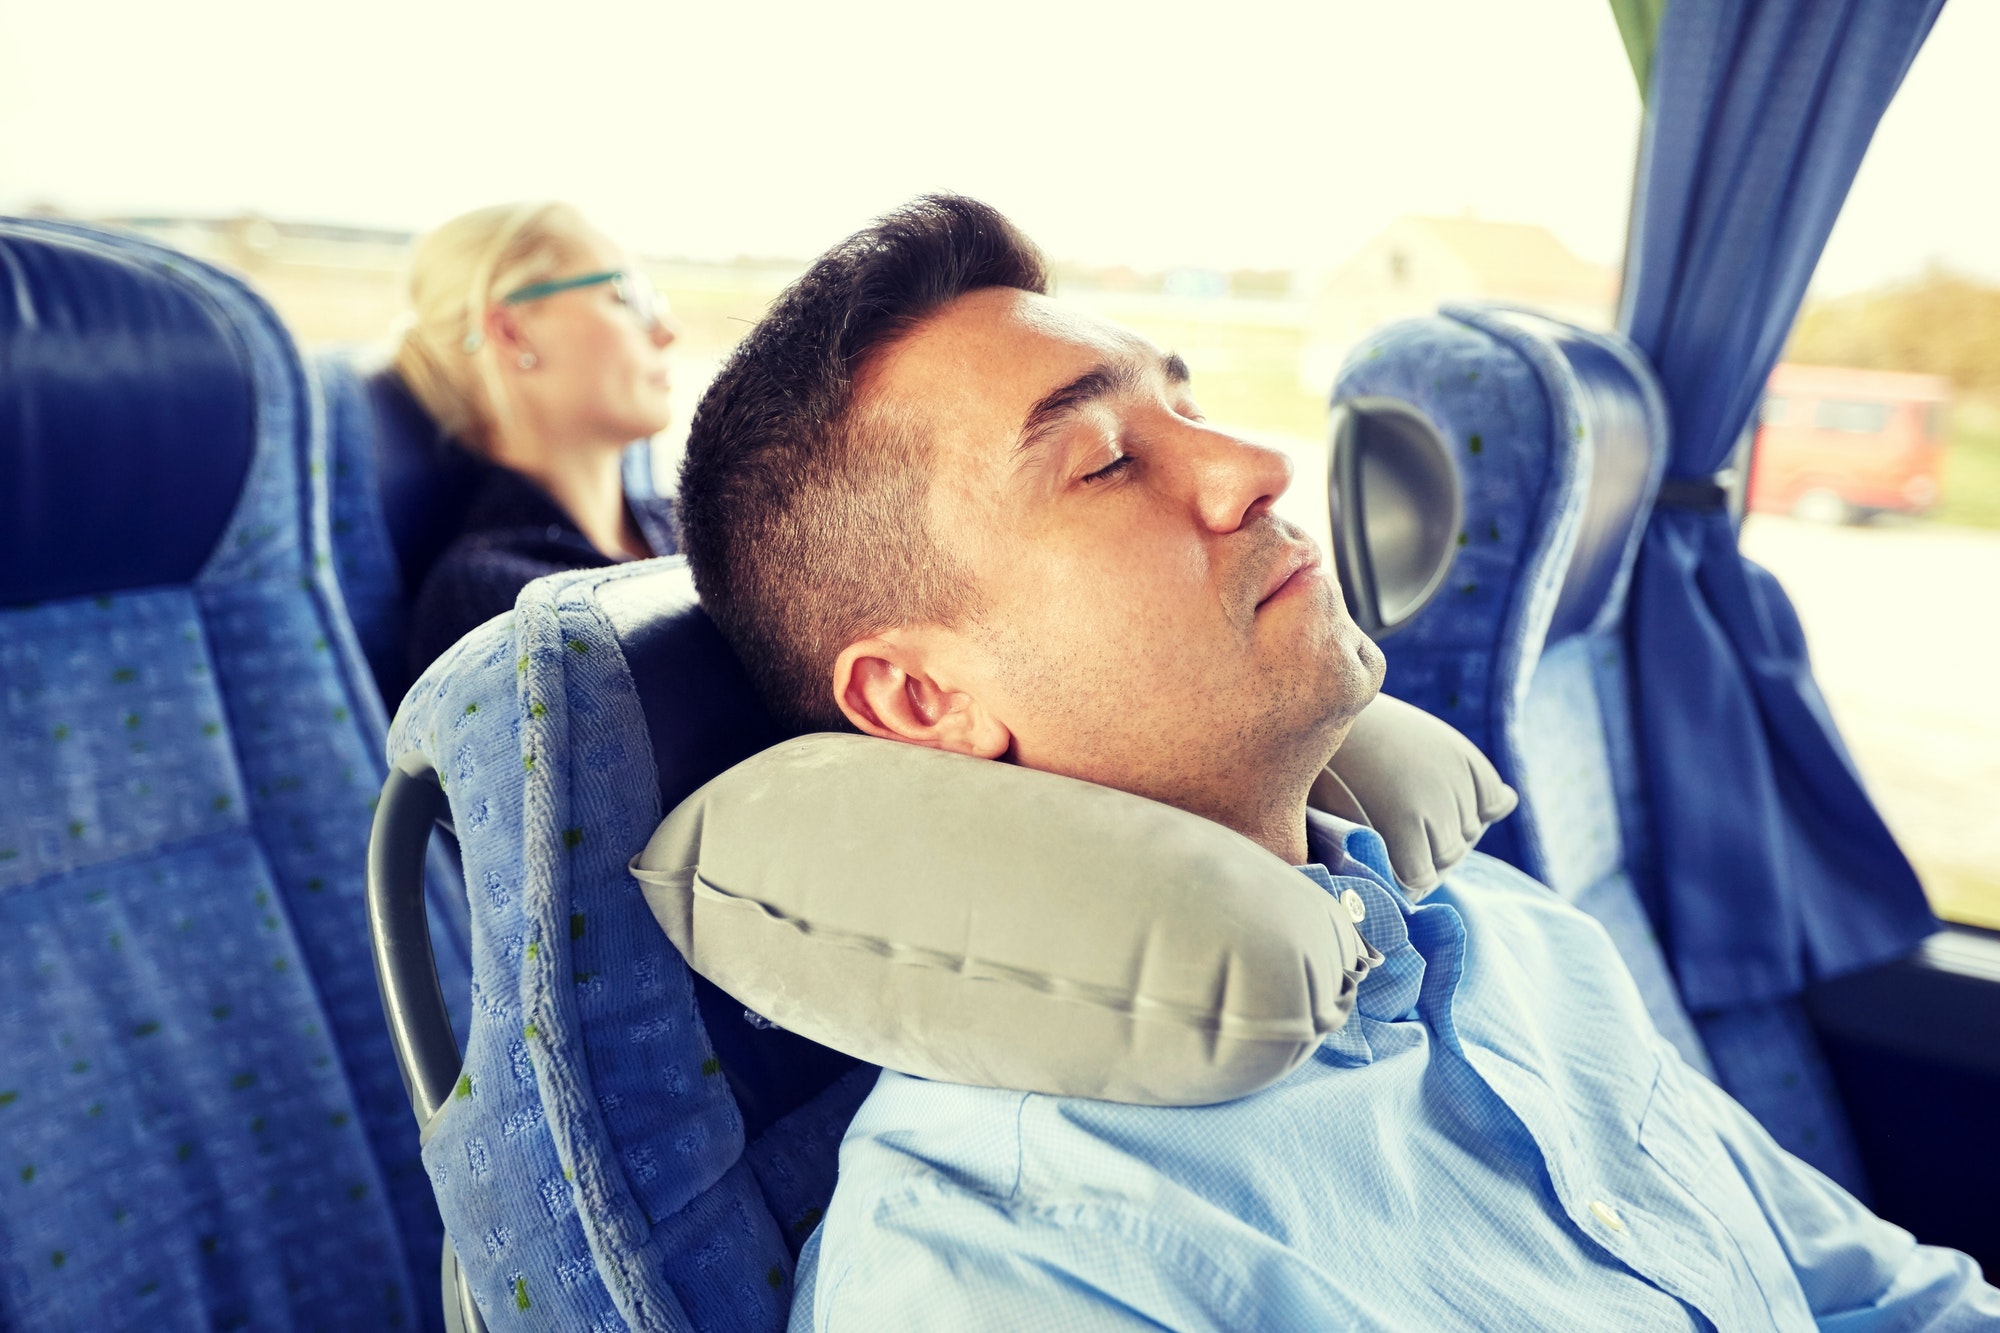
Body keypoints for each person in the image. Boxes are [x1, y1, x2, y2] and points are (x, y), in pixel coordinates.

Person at [675, 195, 1999, 1330]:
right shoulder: (1012, 1263)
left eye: (1186, 403)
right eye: (1106, 463)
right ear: (920, 696)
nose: (1256, 462)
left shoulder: (1502, 930)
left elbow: (1878, 1297)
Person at [393, 201, 681, 677]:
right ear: (512, 332)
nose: (669, 332)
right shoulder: (501, 607)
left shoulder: (682, 524)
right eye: (626, 297)